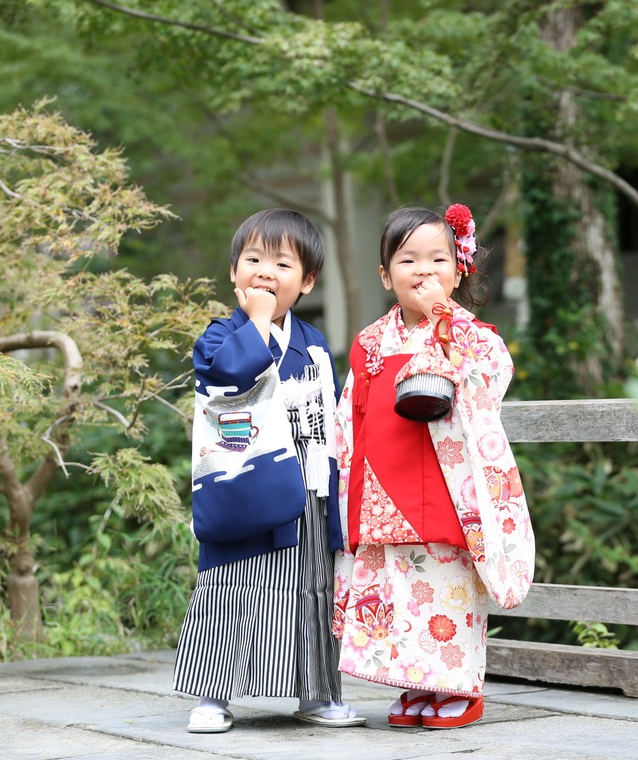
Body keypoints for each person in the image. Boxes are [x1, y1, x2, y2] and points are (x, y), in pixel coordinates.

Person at [332, 204, 535, 730]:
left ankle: (458, 686)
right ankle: (414, 681)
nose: (424, 271)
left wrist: (444, 324)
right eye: (408, 260)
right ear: (385, 274)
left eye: (438, 258)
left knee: (446, 583)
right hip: (384, 480)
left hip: (448, 481)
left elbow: (490, 381)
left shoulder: (475, 335)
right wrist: (344, 484)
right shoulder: (371, 343)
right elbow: (350, 415)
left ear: (458, 268)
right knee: (399, 588)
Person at [173, 208, 363, 733]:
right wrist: (256, 322)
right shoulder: (219, 336)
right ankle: (212, 697)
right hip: (242, 479)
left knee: (312, 587)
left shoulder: (315, 344)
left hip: (306, 485)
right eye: (252, 259)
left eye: (282, 264)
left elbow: (336, 414)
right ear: (233, 272)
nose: (263, 272)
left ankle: (317, 692)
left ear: (307, 282)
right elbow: (230, 372)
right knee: (229, 588)